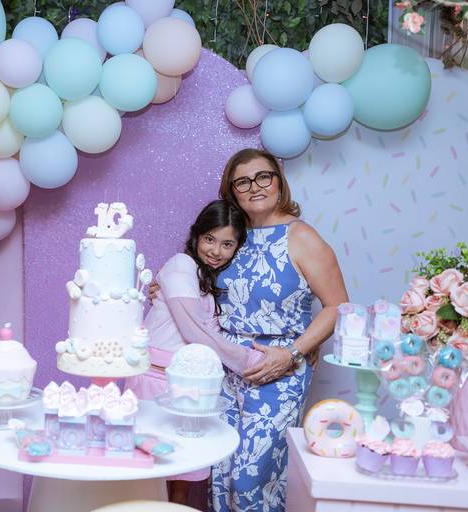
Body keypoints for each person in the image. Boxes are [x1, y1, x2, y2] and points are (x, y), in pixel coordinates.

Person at [208, 148, 348, 512]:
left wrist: (293, 353)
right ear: (232, 191)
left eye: (263, 177)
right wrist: (165, 289)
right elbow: (206, 282)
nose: (254, 187)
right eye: (242, 182)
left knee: (252, 477)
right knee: (221, 469)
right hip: (225, 370)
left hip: (278, 371)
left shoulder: (300, 237)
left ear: (278, 182)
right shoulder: (231, 236)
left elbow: (337, 306)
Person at [125, 199, 265, 505]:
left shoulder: (206, 279)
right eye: (209, 239)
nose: (216, 251)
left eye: (227, 244)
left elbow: (208, 332)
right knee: (149, 469)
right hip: (154, 380)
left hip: (190, 384)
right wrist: (251, 360)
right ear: (196, 236)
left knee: (184, 470)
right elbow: (194, 332)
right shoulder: (181, 265)